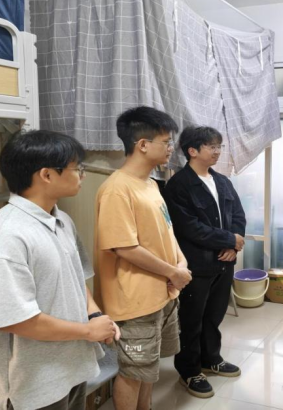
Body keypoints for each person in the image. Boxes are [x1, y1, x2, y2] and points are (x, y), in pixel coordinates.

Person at [0, 130, 119, 410]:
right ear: (47, 175)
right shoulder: (5, 236)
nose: (83, 175)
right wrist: (88, 331)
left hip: (71, 367)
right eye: (77, 168)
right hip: (31, 385)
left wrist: (95, 315)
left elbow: (75, 279)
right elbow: (14, 320)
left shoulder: (62, 220)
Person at [94, 107, 192, 410]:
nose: (171, 148)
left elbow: (166, 231)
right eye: (166, 141)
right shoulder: (116, 189)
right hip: (133, 300)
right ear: (143, 145)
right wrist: (173, 272)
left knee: (149, 367)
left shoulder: (150, 184)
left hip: (161, 293)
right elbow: (124, 248)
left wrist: (180, 263)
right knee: (133, 371)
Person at [164, 126, 247, 398]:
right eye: (212, 146)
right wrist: (229, 239)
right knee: (192, 320)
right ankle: (189, 370)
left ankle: (211, 359)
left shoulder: (222, 181)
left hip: (224, 262)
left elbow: (238, 215)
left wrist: (233, 245)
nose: (217, 151)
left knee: (214, 315)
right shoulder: (178, 185)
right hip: (196, 265)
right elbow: (189, 227)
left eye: (219, 146)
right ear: (192, 150)